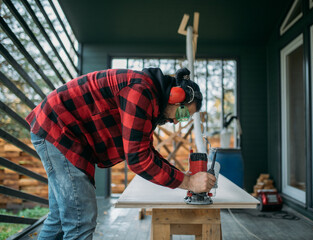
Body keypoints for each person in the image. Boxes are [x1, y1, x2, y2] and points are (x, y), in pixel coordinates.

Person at [26, 67, 216, 239]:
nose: (176, 122)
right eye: (182, 114)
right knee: (80, 221)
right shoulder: (141, 91)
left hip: (58, 130)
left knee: (60, 218)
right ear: (175, 97)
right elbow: (138, 159)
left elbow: (146, 150)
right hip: (58, 130)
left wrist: (183, 177)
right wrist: (189, 182)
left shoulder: (148, 98)